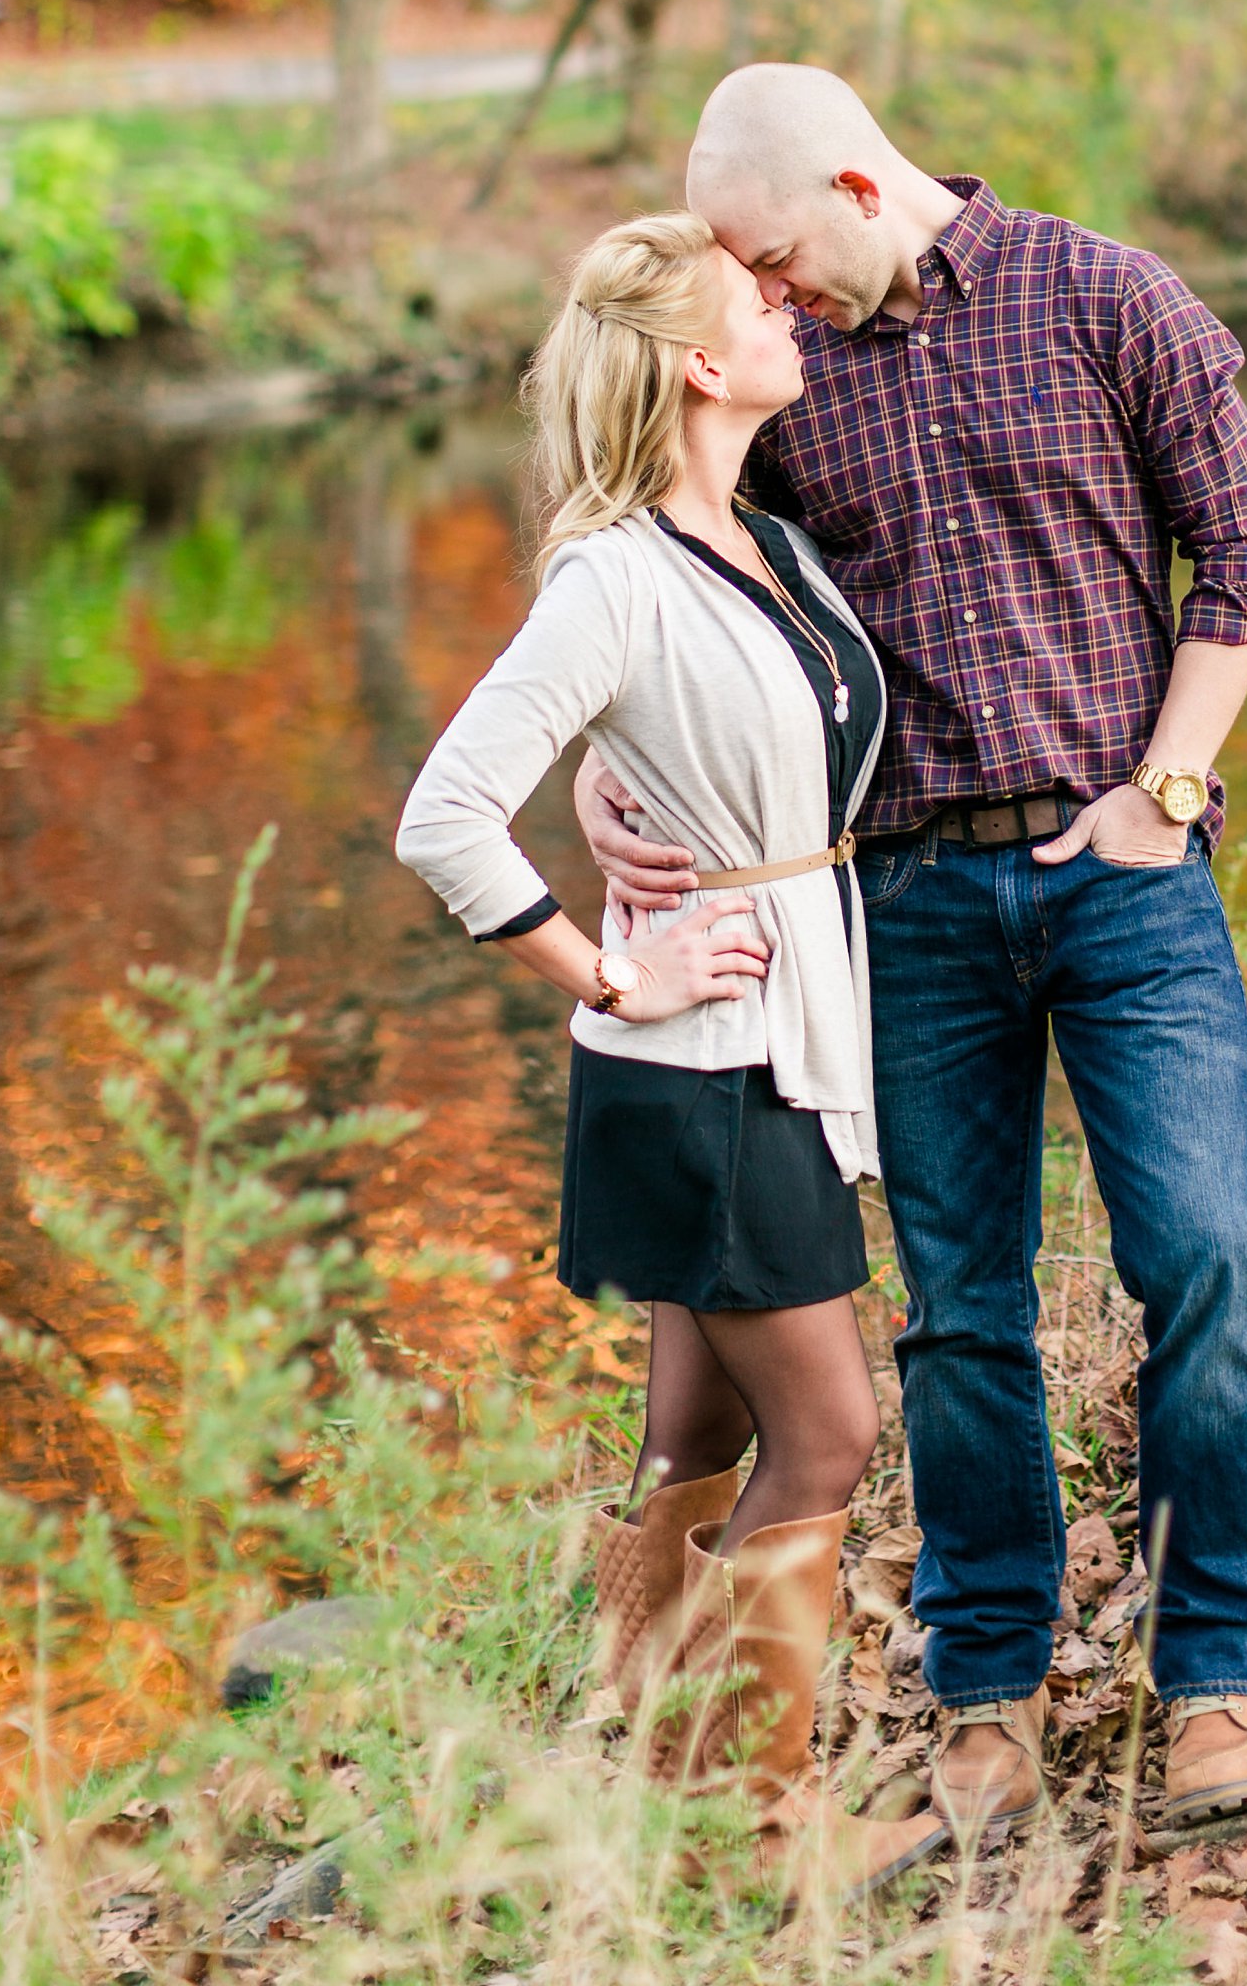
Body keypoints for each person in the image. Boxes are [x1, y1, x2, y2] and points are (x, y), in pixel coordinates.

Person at [577, 67, 1247, 1845]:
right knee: (961, 1314)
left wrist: (1167, 785)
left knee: (1206, 1255)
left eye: (770, 254)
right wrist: (608, 778)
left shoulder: (1105, 294)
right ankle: (989, 1690)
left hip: (1128, 878)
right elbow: (670, 575)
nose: (766, 294)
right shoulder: (791, 384)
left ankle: (1217, 1675)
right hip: (898, 907)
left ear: (850, 177)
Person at [394, 210, 945, 1894]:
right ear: (702, 364)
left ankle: (650, 1790)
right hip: (697, 1063)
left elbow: (735, 754)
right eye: (759, 304)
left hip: (774, 1033)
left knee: (697, 1435)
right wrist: (607, 970)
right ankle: (766, 1829)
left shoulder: (770, 542)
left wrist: (624, 797)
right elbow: (444, 816)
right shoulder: (614, 568)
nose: (791, 313)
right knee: (834, 1429)